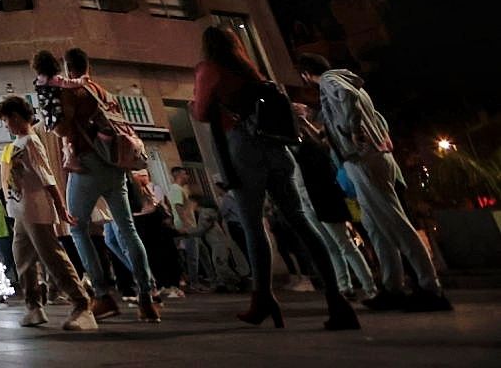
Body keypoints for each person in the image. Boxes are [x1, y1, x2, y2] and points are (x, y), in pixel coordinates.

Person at [192, 26, 359, 330]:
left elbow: (202, 111)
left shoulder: (210, 69)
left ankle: (263, 297)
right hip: (278, 149)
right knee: (301, 221)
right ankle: (337, 299)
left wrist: (195, 104)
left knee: (254, 226)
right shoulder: (251, 72)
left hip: (243, 150)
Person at [296, 53, 450, 312]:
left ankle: (430, 287)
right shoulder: (348, 83)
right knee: (376, 228)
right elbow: (363, 121)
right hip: (367, 159)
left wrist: (355, 131)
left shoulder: (331, 81)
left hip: (362, 160)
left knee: (394, 222)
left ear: (304, 74)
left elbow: (348, 99)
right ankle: (393, 288)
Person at [53, 47, 162, 323]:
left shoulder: (74, 90)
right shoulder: (104, 93)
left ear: (69, 68)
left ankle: (102, 295)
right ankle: (147, 299)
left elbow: (63, 128)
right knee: (127, 230)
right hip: (115, 167)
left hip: (88, 165)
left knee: (77, 227)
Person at [0, 96, 94, 331]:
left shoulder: (31, 142)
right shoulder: (17, 144)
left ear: (17, 118)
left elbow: (47, 177)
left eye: (6, 119)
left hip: (36, 209)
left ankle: (82, 305)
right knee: (23, 259)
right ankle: (34, 306)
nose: (5, 125)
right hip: (21, 211)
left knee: (52, 256)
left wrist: (60, 210)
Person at [292, 105, 374, 299]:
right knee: (330, 245)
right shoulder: (294, 143)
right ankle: (344, 286)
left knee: (343, 243)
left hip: (323, 196)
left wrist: (303, 123)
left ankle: (370, 287)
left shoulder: (314, 141)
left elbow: (323, 144)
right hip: (307, 198)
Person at [167, 167, 211, 290]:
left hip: (188, 226)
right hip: (187, 227)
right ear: (179, 175)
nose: (188, 177)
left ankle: (209, 279)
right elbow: (178, 207)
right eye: (186, 174)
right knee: (193, 255)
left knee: (202, 252)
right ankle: (194, 283)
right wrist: (187, 225)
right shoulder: (176, 189)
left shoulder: (179, 189)